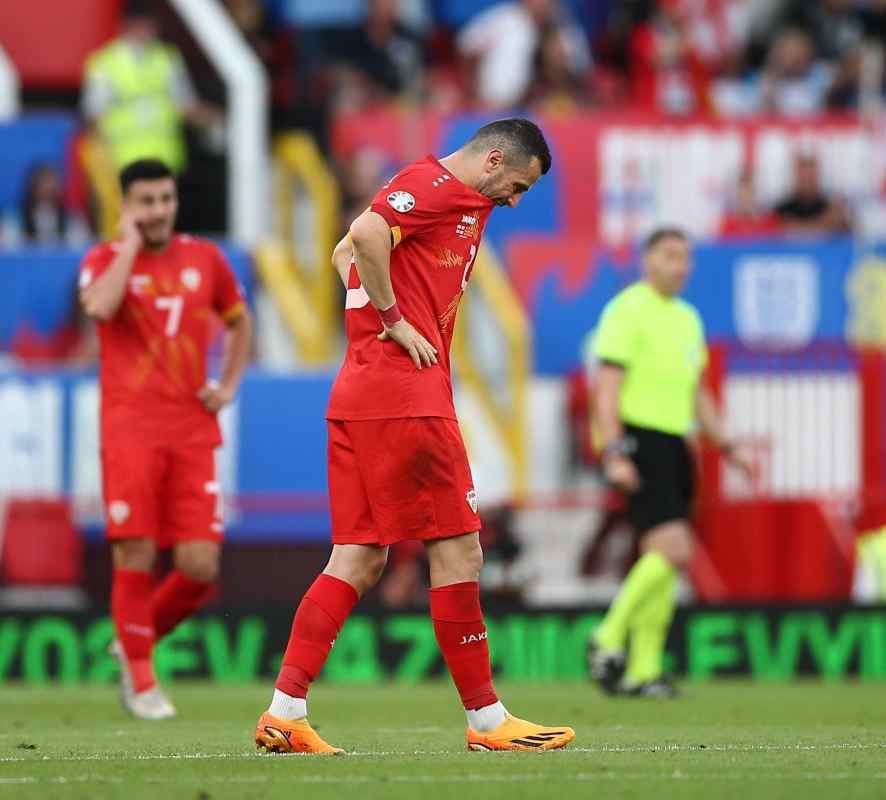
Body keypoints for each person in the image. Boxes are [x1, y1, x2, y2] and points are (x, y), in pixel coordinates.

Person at [254, 118, 575, 754]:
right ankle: (487, 721)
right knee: (459, 552)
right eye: (515, 186)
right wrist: (395, 321)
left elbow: (347, 251)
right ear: (490, 162)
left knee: (359, 556)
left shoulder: (447, 195)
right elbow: (367, 233)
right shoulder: (432, 186)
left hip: (358, 394)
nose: (513, 201)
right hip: (407, 396)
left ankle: (284, 712)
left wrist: (368, 301)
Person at [78, 158, 253, 720]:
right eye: (145, 201)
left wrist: (227, 384)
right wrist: (128, 246)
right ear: (126, 205)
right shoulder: (104, 260)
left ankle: (134, 639)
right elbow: (100, 308)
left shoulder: (205, 258)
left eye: (165, 199)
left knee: (200, 566)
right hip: (130, 428)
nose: (157, 211)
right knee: (136, 551)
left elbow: (239, 320)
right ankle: (143, 681)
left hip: (191, 428)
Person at [587, 227, 751, 697]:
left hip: (676, 444)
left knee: (664, 558)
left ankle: (643, 669)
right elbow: (607, 388)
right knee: (673, 549)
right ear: (647, 259)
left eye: (685, 257)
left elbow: (697, 392)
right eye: (670, 255)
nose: (680, 265)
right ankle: (608, 636)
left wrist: (729, 445)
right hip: (639, 440)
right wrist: (614, 450)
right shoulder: (626, 310)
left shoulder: (688, 319)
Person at [81, 0, 221, 173]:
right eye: (143, 24)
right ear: (127, 25)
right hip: (121, 164)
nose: (148, 31)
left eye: (151, 25)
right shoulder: (104, 64)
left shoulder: (168, 58)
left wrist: (215, 120)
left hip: (165, 161)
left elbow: (186, 107)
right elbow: (93, 118)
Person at [457, 0, 591, 110]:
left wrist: (559, 59)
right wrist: (473, 90)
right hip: (495, 105)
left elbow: (581, 69)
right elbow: (467, 48)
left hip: (542, 107)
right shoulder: (503, 19)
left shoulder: (564, 27)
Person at [774, 147, 851, 236]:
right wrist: (826, 224)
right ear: (795, 174)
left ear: (817, 173)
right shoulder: (782, 209)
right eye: (803, 171)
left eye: (810, 171)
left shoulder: (831, 207)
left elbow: (849, 238)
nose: (807, 177)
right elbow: (777, 231)